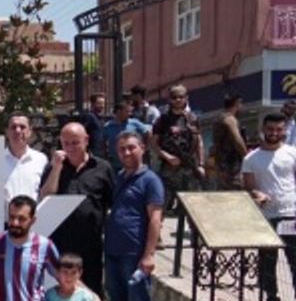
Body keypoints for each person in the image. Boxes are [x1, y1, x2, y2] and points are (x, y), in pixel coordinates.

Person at [40, 122, 116, 300]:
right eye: (66, 143)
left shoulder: (103, 168)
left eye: (75, 142)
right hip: (61, 243)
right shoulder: (53, 167)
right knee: (62, 291)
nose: (70, 148)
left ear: (86, 140)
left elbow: (112, 202)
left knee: (92, 291)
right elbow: (46, 196)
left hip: (91, 243)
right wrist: (57, 167)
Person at [108, 132, 164, 301]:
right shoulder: (120, 178)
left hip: (135, 253)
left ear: (142, 148)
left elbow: (155, 219)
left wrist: (149, 254)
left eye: (131, 147)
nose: (126, 153)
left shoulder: (150, 180)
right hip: (113, 251)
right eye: (122, 149)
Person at [242, 113, 296, 301]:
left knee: (294, 262)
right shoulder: (251, 158)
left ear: (284, 131)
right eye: (271, 129)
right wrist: (257, 194)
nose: (274, 133)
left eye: (279, 129)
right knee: (267, 263)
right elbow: (249, 187)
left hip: (290, 215)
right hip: (266, 217)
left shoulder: (292, 153)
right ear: (263, 130)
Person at [151, 84, 204, 214]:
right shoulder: (163, 119)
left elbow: (199, 141)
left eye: (181, 97)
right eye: (174, 97)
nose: (178, 100)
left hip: (189, 167)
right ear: (169, 99)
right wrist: (168, 157)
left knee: (194, 208)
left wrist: (201, 164)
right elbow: (153, 143)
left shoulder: (192, 118)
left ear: (186, 98)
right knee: (162, 206)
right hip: (169, 168)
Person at [4, 113, 49, 202]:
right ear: (7, 132)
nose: (18, 131)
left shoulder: (41, 159)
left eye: (22, 127)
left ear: (30, 132)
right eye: (13, 127)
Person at [101, 96, 150, 170]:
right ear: (119, 112)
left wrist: (145, 148)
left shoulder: (134, 123)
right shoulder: (108, 126)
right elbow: (103, 141)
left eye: (130, 111)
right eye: (127, 111)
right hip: (115, 163)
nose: (130, 114)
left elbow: (148, 133)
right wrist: (105, 155)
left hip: (133, 162)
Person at [213, 93, 248, 190]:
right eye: (241, 103)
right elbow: (237, 139)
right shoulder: (230, 119)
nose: (241, 107)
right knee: (236, 191)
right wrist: (247, 156)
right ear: (237, 103)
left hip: (221, 164)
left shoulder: (219, 119)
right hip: (232, 164)